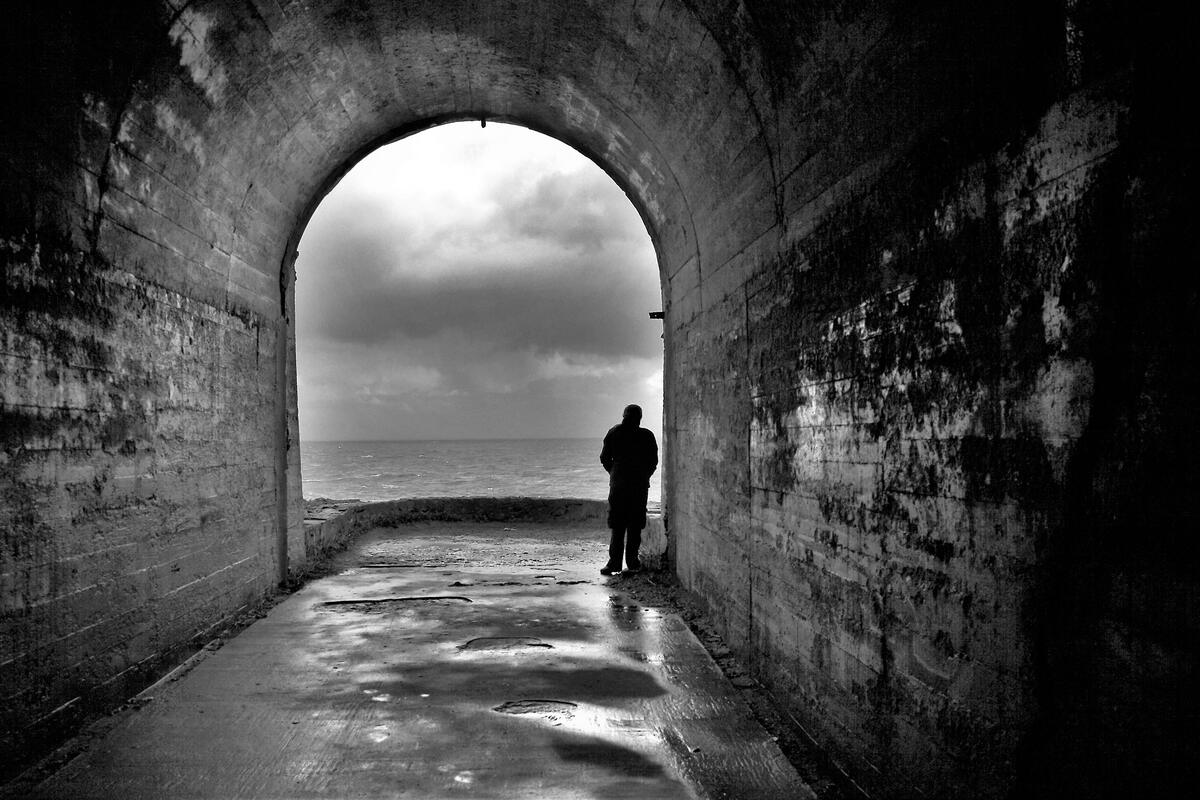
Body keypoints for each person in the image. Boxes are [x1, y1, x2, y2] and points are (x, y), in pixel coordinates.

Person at [599, 404, 658, 575]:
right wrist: (643, 475)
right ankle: (631, 563)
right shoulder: (646, 435)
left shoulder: (614, 432)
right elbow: (653, 462)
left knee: (620, 525)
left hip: (621, 485)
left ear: (623, 416)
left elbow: (604, 458)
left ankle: (616, 563)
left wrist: (614, 472)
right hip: (636, 486)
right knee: (632, 525)